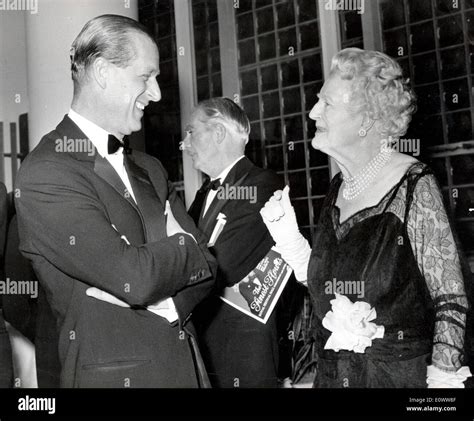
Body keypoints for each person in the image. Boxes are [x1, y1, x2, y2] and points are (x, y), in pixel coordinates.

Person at [14, 14, 216, 388]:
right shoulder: (46, 172)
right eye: (146, 77)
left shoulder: (150, 168)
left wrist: (171, 302)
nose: (156, 93)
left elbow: (209, 265)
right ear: (103, 72)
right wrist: (185, 246)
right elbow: (134, 279)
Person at [260, 48, 472, 388]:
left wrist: (443, 387)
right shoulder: (338, 188)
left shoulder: (413, 185)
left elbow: (451, 301)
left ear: (367, 118)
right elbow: (326, 288)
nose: (313, 112)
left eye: (327, 103)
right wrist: (288, 236)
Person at [183, 98, 284, 387]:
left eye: (192, 132)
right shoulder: (204, 194)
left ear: (218, 133)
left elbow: (221, 265)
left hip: (242, 353)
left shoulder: (261, 185)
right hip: (206, 350)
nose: (185, 143)